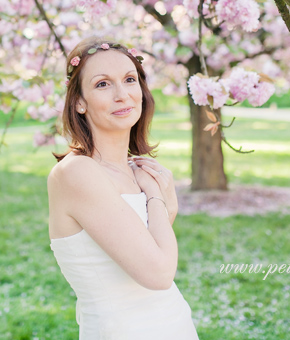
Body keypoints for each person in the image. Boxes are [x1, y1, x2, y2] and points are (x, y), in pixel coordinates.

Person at [47, 37, 199, 339]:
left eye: (129, 80)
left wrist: (163, 200)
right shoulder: (77, 172)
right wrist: (158, 197)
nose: (122, 95)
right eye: (103, 84)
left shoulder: (136, 171)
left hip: (174, 324)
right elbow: (158, 273)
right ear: (79, 101)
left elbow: (150, 248)